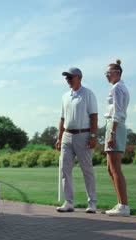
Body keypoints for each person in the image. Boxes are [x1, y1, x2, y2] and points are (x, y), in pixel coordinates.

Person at [55, 67, 98, 213]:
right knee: (65, 169)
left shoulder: (88, 94)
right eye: (66, 78)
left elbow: (93, 116)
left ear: (79, 77)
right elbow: (62, 118)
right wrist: (59, 137)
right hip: (67, 135)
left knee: (87, 169)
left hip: (83, 135)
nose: (67, 80)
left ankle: (92, 203)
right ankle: (69, 202)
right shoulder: (65, 96)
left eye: (70, 77)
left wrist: (93, 136)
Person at [103, 59, 131, 217]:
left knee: (115, 169)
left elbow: (118, 112)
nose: (106, 75)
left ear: (117, 73)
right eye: (105, 73)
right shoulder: (119, 87)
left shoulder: (117, 88)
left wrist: (112, 133)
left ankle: (124, 206)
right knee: (110, 168)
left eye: (109, 73)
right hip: (113, 126)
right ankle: (120, 203)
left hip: (115, 126)